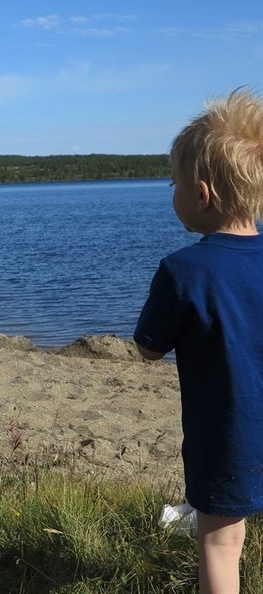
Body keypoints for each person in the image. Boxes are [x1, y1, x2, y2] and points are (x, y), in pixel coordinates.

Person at [134, 88, 263, 594]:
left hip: (229, 436)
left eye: (174, 183)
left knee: (220, 543)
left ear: (202, 194)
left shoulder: (184, 271)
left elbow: (148, 348)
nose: (173, 193)